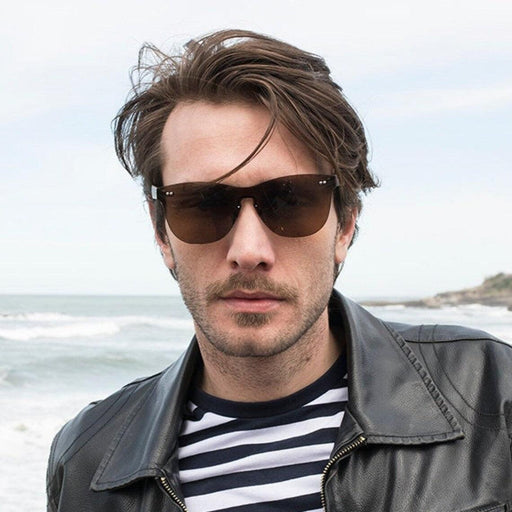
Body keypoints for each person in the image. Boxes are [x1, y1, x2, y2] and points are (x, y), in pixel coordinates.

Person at [46, 29, 512, 512]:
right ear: (162, 232)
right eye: (203, 204)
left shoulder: (491, 394)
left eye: (290, 201)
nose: (249, 251)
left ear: (345, 224)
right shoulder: (86, 463)